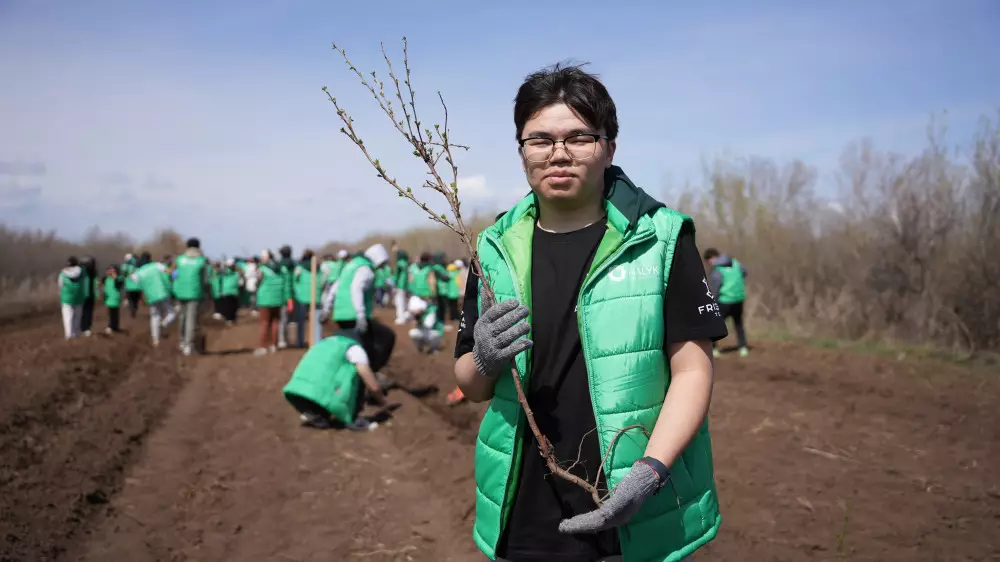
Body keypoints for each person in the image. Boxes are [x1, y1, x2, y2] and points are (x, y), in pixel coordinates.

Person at [452, 64, 726, 562]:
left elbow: (693, 369)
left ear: (609, 147)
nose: (559, 152)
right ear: (521, 152)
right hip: (524, 509)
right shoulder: (492, 249)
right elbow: (469, 384)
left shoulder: (661, 238)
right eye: (540, 139)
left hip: (628, 507)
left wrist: (649, 473)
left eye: (579, 136)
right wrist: (485, 359)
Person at [282, 328, 393, 431]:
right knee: (358, 375)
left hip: (297, 392)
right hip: (317, 394)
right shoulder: (355, 349)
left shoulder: (325, 342)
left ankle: (314, 413)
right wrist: (383, 401)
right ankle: (353, 420)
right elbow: (372, 384)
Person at [322, 243, 397, 369]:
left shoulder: (350, 266)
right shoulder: (365, 269)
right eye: (381, 263)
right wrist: (360, 314)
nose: (381, 267)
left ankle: (370, 372)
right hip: (354, 315)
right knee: (387, 337)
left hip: (341, 315)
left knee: (365, 345)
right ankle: (373, 373)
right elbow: (356, 289)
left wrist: (327, 308)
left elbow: (336, 287)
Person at [703, 248, 749, 358]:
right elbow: (745, 271)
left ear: (712, 258)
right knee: (738, 324)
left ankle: (714, 349)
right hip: (739, 299)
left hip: (725, 301)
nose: (709, 263)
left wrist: (712, 301)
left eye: (708, 261)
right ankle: (743, 348)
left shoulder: (717, 270)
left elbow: (715, 289)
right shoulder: (736, 263)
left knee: (715, 324)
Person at [173, 237, 210, 356]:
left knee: (182, 317)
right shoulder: (201, 260)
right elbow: (205, 279)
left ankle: (182, 342)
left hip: (180, 292)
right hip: (194, 292)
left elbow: (174, 275)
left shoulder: (179, 259)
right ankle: (189, 346)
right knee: (191, 319)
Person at [133, 251, 176, 347]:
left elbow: (133, 278)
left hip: (150, 296)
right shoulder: (156, 265)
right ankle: (164, 324)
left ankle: (155, 340)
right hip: (162, 292)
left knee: (155, 317)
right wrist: (174, 268)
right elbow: (169, 272)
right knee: (171, 313)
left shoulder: (139, 272)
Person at [254, 249, 285, 356]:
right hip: (278, 298)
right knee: (275, 321)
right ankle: (273, 345)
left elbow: (258, 281)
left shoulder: (262, 269)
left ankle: (263, 346)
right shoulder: (280, 269)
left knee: (264, 322)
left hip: (265, 299)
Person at [292, 249, 323, 348]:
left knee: (301, 321)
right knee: (316, 321)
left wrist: (296, 291)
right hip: (316, 296)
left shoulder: (299, 268)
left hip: (302, 297)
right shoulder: (319, 268)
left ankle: (300, 341)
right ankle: (316, 341)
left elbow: (295, 280)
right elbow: (323, 280)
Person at [58, 256, 85, 339]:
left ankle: (69, 335)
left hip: (67, 299)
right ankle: (77, 333)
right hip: (79, 298)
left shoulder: (63, 274)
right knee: (77, 317)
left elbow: (60, 286)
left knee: (68, 317)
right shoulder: (82, 273)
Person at [277, 244, 296, 349]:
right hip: (289, 295)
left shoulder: (279, 266)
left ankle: (281, 340)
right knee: (286, 319)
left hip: (281, 296)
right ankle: (283, 339)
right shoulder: (293, 265)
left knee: (281, 319)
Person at [218, 258, 242, 325]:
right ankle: (230, 319)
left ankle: (231, 319)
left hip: (230, 291)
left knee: (232, 306)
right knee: (231, 306)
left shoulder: (232, 272)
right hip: (230, 291)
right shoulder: (227, 272)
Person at [101, 264, 124, 334]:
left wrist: (115, 277)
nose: (110, 272)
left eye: (112, 270)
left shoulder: (119, 279)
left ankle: (112, 326)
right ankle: (113, 326)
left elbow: (119, 285)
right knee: (111, 313)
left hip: (115, 299)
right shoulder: (106, 279)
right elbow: (102, 284)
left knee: (114, 313)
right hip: (109, 299)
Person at [79, 256, 97, 336]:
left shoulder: (93, 272)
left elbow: (95, 283)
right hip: (83, 294)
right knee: (82, 312)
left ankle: (86, 328)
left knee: (88, 312)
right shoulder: (81, 271)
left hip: (90, 294)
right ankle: (83, 328)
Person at [392, 249, 410, 325]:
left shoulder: (399, 264)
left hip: (399, 285)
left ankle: (401, 318)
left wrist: (394, 285)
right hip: (405, 285)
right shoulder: (407, 264)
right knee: (404, 302)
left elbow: (396, 275)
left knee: (399, 302)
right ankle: (406, 315)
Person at [122, 253, 142, 319]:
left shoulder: (125, 266)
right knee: (136, 300)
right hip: (137, 287)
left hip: (129, 287)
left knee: (130, 300)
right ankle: (135, 310)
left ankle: (132, 310)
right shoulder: (138, 267)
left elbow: (123, 274)